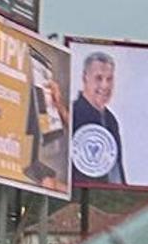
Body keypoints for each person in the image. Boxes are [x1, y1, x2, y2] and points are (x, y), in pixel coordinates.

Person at [52, 51, 127, 185]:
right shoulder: (74, 111)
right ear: (85, 77)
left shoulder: (111, 120)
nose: (105, 85)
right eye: (98, 78)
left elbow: (116, 169)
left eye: (109, 79)